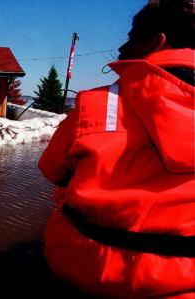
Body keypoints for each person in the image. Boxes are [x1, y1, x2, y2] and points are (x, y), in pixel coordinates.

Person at [38, 0, 194, 298]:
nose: (122, 48)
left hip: (85, 274)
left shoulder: (96, 105)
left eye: (132, 36)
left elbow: (52, 170)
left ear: (157, 41)